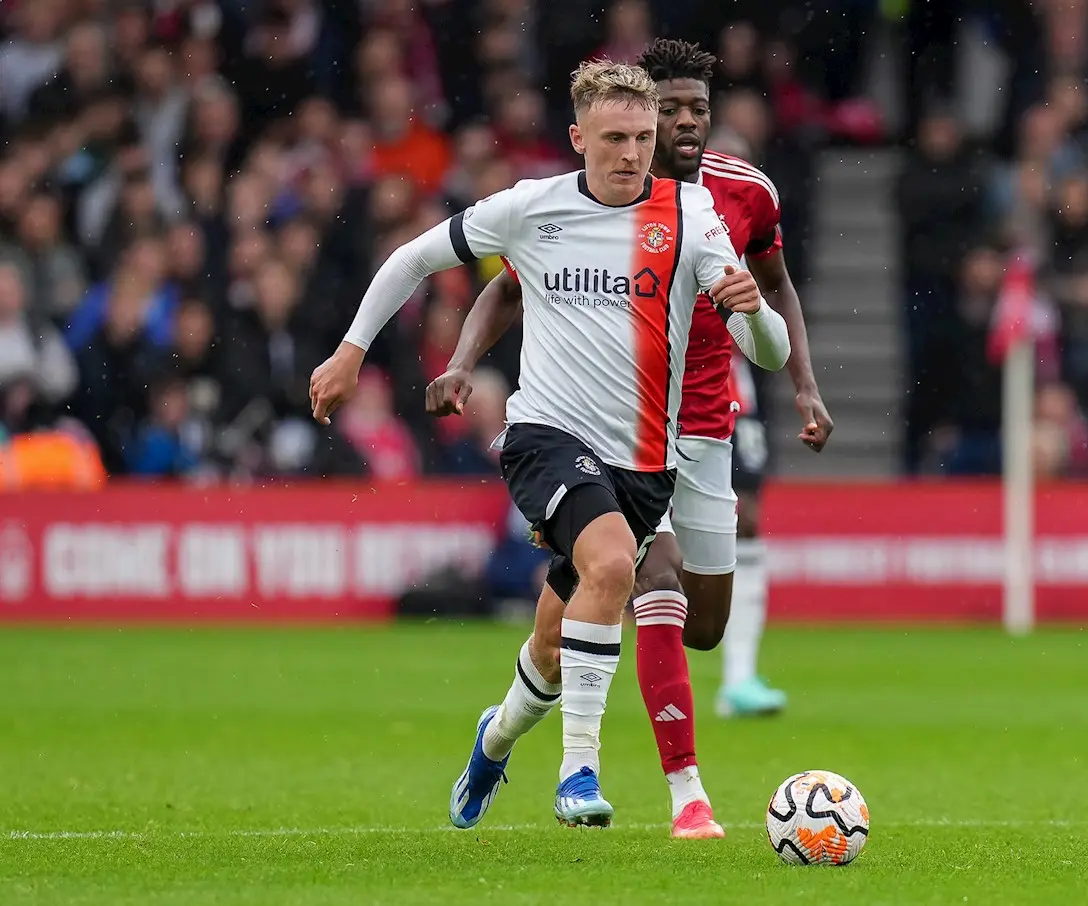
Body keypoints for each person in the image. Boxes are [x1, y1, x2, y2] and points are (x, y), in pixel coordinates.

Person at [308, 60, 791, 832]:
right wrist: (350, 351)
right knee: (607, 566)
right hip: (544, 436)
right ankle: (579, 774)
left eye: (641, 136)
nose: (631, 153)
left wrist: (753, 311)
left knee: (553, 641)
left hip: (643, 463)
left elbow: (763, 351)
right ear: (577, 138)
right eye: (613, 138)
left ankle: (493, 739)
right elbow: (412, 259)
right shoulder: (531, 209)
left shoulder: (691, 215)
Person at [462, 39, 832, 839]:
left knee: (695, 626)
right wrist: (463, 363)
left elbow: (774, 290)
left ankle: (506, 720)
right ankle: (684, 793)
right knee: (648, 578)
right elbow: (507, 289)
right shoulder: (591, 205)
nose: (684, 122)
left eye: (697, 107)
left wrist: (800, 381)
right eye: (667, 111)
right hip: (617, 430)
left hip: (709, 422)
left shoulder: (741, 194)